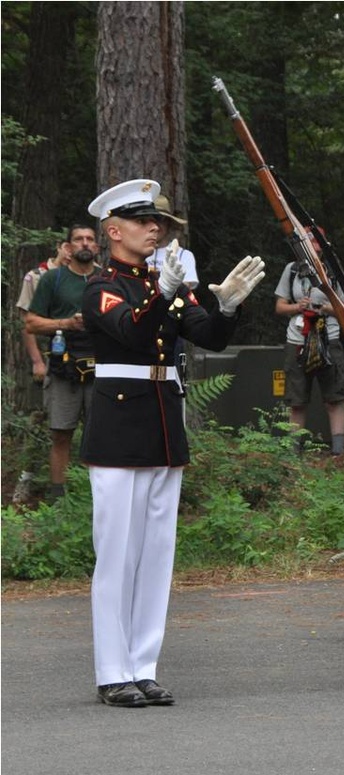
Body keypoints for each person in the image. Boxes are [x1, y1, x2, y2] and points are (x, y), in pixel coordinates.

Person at [81, 178, 265, 707]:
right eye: (143, 221)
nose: (155, 228)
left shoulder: (170, 282)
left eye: (158, 222)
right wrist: (165, 294)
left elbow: (208, 335)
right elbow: (134, 334)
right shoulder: (102, 287)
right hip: (119, 431)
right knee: (116, 554)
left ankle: (144, 664)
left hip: (163, 425)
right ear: (113, 231)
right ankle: (113, 671)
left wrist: (225, 304)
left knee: (157, 555)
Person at [25, 224, 101, 501]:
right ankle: (57, 498)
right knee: (61, 433)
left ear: (97, 247)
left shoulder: (106, 280)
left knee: (100, 435)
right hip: (63, 368)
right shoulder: (53, 279)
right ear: (68, 247)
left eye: (90, 239)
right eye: (78, 239)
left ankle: (94, 496)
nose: (84, 244)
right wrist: (66, 323)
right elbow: (31, 323)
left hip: (102, 370)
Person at [273, 229, 344, 456]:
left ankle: (338, 453)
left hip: (329, 337)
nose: (313, 246)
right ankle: (294, 453)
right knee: (297, 400)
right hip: (298, 339)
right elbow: (279, 307)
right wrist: (299, 307)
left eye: (316, 241)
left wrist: (325, 308)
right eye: (308, 241)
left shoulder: (333, 270)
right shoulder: (292, 270)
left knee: (334, 398)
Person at [18, 239, 71, 386]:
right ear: (59, 247)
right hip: (48, 347)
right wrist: (37, 361)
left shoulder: (88, 274)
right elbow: (26, 322)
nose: (70, 255)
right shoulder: (36, 277)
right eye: (67, 249)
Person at [146, 194, 199, 291]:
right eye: (149, 220)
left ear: (169, 223)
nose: (155, 226)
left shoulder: (184, 256)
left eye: (160, 219)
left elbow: (186, 290)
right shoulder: (136, 252)